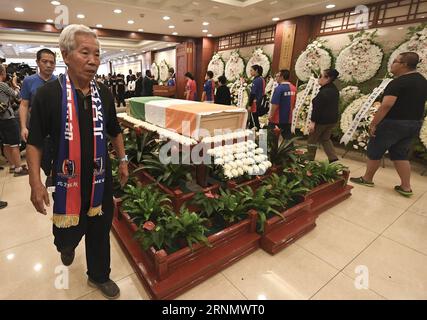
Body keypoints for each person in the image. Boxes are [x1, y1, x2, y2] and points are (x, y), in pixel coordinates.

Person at [26, 24, 129, 299]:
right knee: (67, 233)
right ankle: (67, 245)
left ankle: (99, 275)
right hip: (65, 178)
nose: (93, 60)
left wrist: (123, 160)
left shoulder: (104, 93)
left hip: (99, 178)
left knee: (100, 230)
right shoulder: (49, 94)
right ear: (66, 54)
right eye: (85, 53)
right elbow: (34, 142)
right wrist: (35, 183)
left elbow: (114, 130)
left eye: (97, 54)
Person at [350, 52, 427, 197]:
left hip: (393, 123)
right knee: (400, 154)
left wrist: (374, 123)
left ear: (404, 64)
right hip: (414, 123)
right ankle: (406, 187)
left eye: (395, 61)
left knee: (375, 150)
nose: (392, 64)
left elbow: (386, 105)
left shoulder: (398, 82)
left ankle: (367, 178)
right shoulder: (422, 81)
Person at [19, 48, 57, 143]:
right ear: (38, 62)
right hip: (35, 125)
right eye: (45, 61)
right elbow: (24, 105)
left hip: (55, 127)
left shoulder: (59, 82)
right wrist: (23, 127)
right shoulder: (29, 81)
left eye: (52, 62)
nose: (48, 65)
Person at [0, 65, 29, 177]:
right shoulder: (2, 85)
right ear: (2, 72)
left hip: (1, 119)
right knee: (15, 144)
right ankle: (18, 169)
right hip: (8, 118)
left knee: (6, 143)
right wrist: (16, 85)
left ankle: (12, 165)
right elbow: (17, 95)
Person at [306, 69, 340, 162]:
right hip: (331, 121)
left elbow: (318, 109)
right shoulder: (334, 89)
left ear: (327, 78)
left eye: (320, 76)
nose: (318, 78)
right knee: (325, 139)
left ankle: (309, 160)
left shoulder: (324, 92)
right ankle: (333, 159)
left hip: (321, 121)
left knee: (312, 140)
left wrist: (313, 122)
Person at [268, 69, 297, 141]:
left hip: (277, 118)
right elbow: (294, 104)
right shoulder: (294, 88)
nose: (276, 78)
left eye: (277, 76)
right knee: (287, 138)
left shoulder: (279, 89)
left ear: (282, 77)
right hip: (288, 118)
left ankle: (267, 150)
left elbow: (275, 104)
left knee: (270, 137)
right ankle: (289, 151)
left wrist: (271, 115)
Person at [248, 65, 265, 129]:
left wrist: (249, 105)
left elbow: (253, 93)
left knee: (254, 122)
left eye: (251, 70)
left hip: (255, 103)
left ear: (256, 70)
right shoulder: (262, 79)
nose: (250, 72)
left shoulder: (256, 80)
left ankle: (258, 137)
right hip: (260, 101)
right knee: (254, 120)